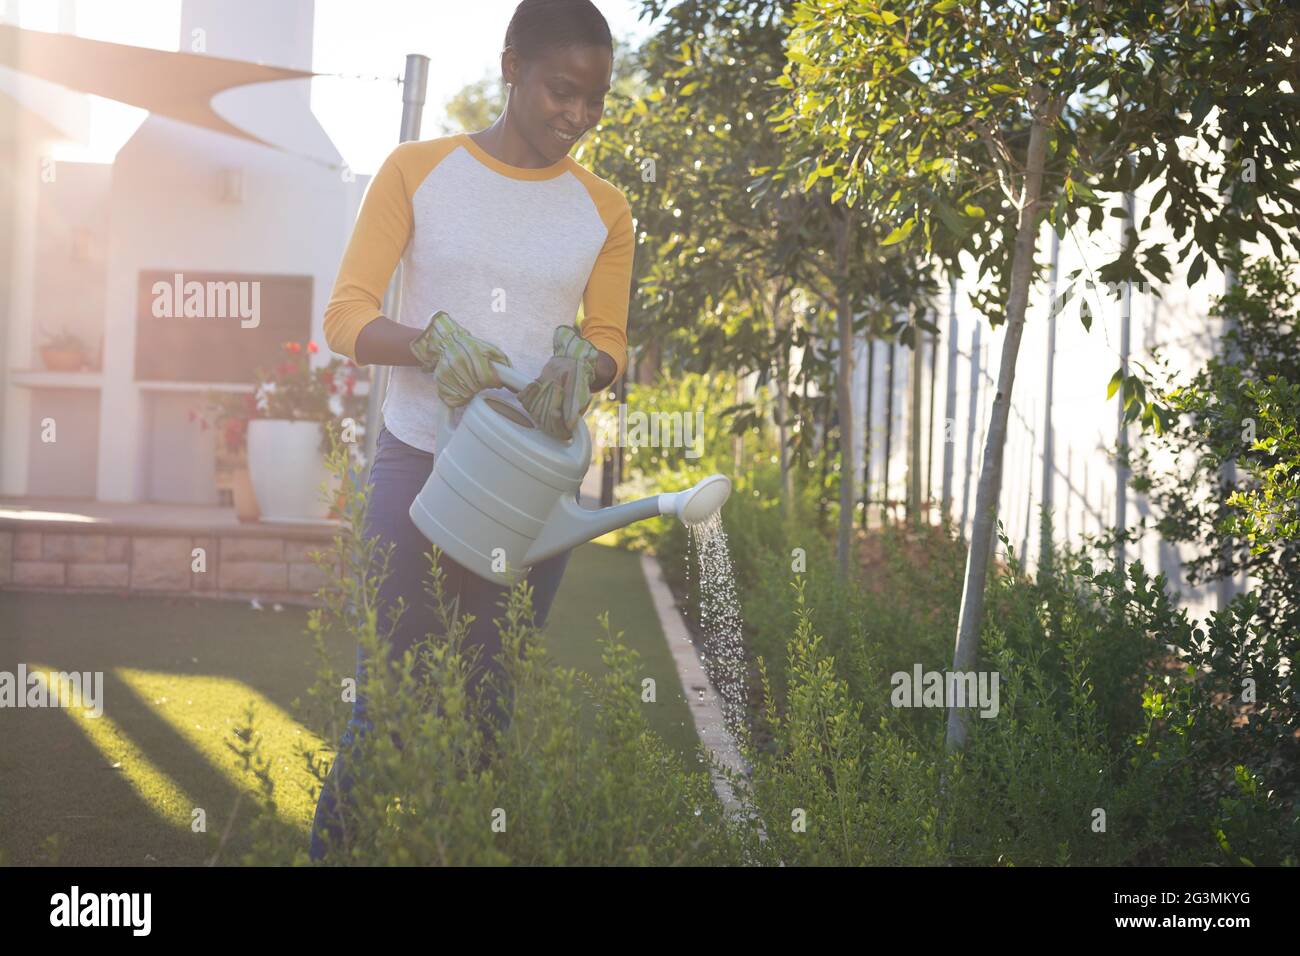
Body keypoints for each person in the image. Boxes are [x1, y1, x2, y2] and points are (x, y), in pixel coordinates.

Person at [309, 0, 633, 861]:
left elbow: (609, 342)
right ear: (510, 66)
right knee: (389, 707)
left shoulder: (603, 210)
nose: (578, 116)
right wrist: (427, 340)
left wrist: (586, 368)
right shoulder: (417, 171)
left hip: (527, 493)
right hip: (419, 468)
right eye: (563, 90)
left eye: (596, 100)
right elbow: (345, 317)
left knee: (486, 717)